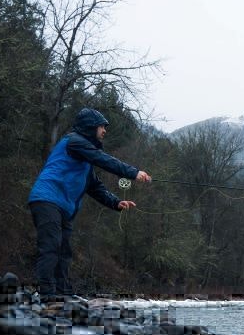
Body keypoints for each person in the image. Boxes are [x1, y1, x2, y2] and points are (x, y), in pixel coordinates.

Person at [27, 107, 152, 300]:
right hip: (47, 199)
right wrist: (133, 172)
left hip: (63, 208)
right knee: (51, 246)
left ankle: (62, 294)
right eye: (102, 126)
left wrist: (116, 203)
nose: (104, 130)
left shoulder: (84, 160)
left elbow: (95, 187)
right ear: (90, 127)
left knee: (64, 251)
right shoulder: (73, 142)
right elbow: (102, 159)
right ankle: (47, 294)